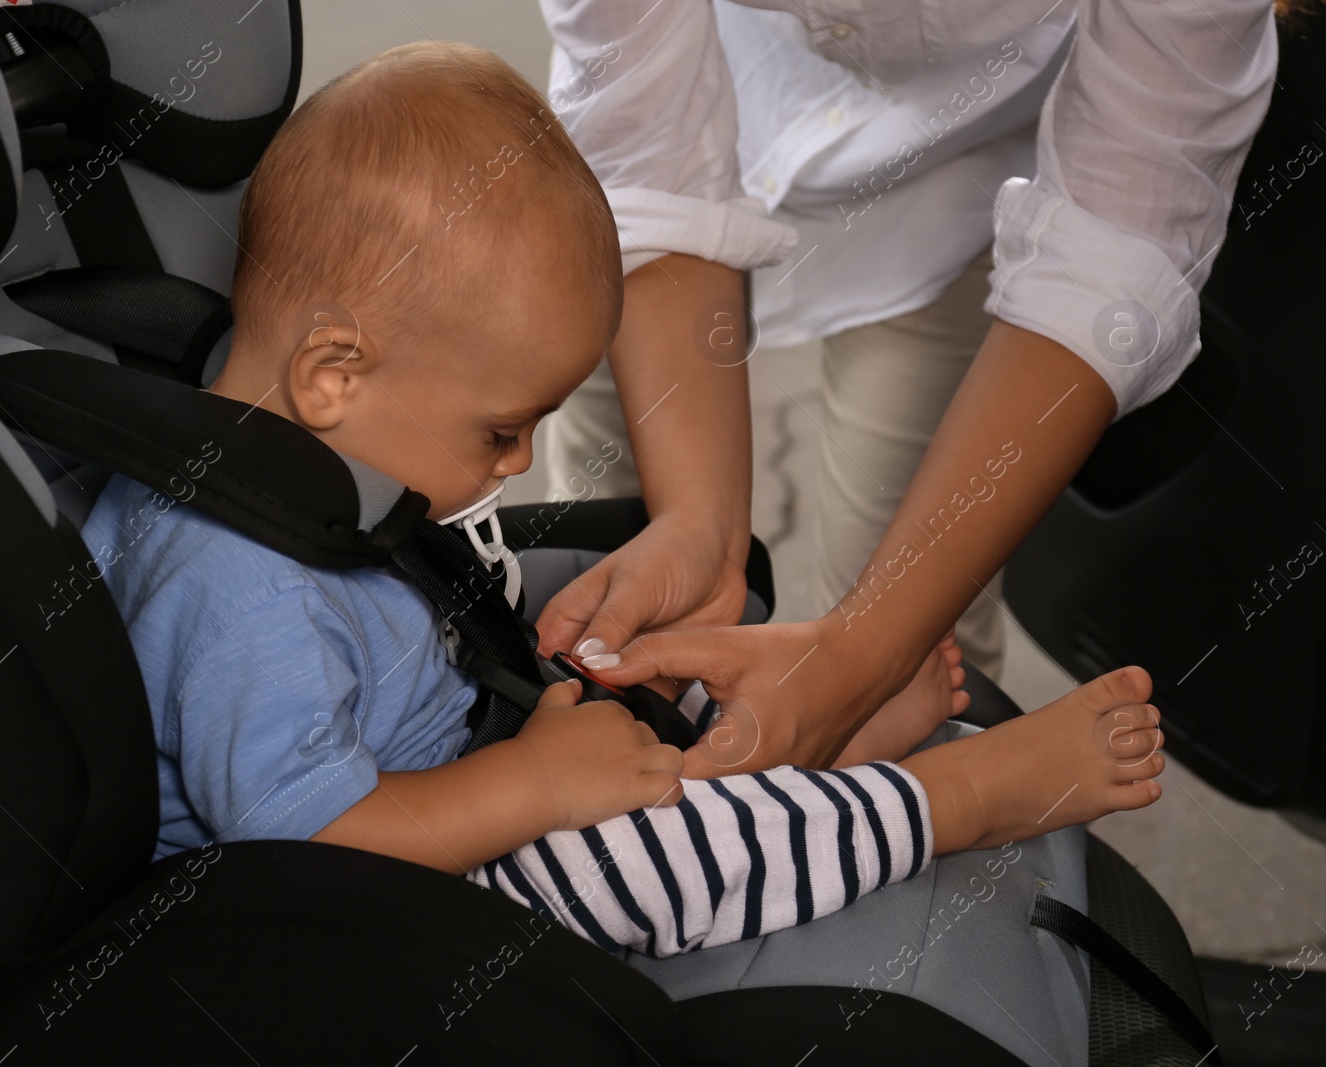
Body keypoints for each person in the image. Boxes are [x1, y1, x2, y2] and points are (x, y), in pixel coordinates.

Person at [80, 42, 1165, 959]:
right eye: (501, 430)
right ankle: (953, 801)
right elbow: (312, 845)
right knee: (653, 859)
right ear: (332, 374)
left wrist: (540, 756)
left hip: (450, 758)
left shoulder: (288, 437)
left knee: (655, 692)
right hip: (359, 899)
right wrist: (533, 788)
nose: (518, 463)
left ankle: (823, 747)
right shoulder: (239, 591)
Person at [533, 0, 1279, 776]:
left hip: (967, 168)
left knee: (901, 674)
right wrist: (702, 523)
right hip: (702, 83)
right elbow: (647, 146)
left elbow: (1117, 241)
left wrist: (864, 655)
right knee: (610, 531)